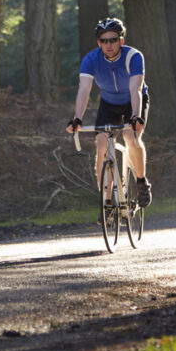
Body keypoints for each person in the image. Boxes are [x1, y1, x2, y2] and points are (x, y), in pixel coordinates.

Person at [66, 17, 152, 209]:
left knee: (130, 137)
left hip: (133, 101)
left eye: (113, 40)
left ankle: (141, 182)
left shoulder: (133, 57)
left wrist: (135, 116)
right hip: (109, 103)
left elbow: (135, 89)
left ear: (121, 40)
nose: (109, 45)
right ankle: (106, 201)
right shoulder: (90, 59)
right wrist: (77, 118)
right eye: (104, 41)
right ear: (99, 43)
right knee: (101, 143)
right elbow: (84, 89)